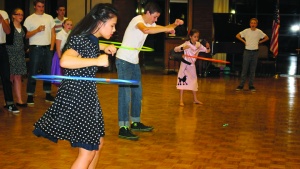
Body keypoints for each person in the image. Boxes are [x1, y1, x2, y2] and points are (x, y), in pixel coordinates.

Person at [32, 3, 118, 168]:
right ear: (100, 22)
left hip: (86, 95)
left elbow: (91, 45)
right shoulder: (80, 39)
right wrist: (97, 60)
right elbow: (65, 60)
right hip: (78, 97)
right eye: (112, 25)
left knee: (97, 144)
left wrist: (105, 46)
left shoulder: (89, 38)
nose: (114, 30)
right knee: (87, 151)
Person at [115, 1, 184, 140]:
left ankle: (135, 122)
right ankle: (123, 127)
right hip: (123, 61)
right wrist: (166, 29)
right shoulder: (138, 20)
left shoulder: (149, 23)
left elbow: (163, 27)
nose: (155, 20)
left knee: (137, 93)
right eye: (155, 17)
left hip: (134, 62)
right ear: (147, 13)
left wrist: (174, 25)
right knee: (125, 93)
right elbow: (146, 30)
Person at [24, 0, 56, 105]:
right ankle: (30, 95)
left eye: (42, 6)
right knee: (33, 71)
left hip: (47, 48)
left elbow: (53, 33)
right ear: (34, 7)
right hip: (35, 48)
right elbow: (26, 35)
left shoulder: (49, 17)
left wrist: (51, 47)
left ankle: (47, 93)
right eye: (39, 6)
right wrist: (37, 30)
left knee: (48, 72)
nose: (41, 8)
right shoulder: (29, 19)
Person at [174, 29, 210, 106]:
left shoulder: (198, 45)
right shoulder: (186, 44)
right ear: (190, 37)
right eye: (194, 37)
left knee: (194, 82)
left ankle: (195, 99)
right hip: (184, 65)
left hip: (192, 66)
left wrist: (208, 47)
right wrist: (182, 48)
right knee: (182, 82)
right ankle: (181, 100)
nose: (196, 38)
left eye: (197, 37)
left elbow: (207, 51)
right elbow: (175, 49)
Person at [235, 18, 269, 92]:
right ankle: (241, 85)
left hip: (255, 52)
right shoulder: (246, 31)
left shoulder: (259, 32)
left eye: (254, 23)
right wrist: (244, 41)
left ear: (256, 24)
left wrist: (260, 42)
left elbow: (267, 37)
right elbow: (237, 35)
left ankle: (251, 85)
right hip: (247, 51)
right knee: (245, 68)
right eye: (251, 23)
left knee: (252, 69)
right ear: (250, 24)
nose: (253, 24)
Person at [6, 8, 28, 108]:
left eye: (22, 14)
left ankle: (19, 100)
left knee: (18, 77)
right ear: (13, 16)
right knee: (10, 77)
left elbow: (24, 41)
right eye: (18, 14)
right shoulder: (9, 27)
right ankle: (8, 100)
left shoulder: (24, 28)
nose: (20, 16)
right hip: (10, 54)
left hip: (20, 55)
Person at [0, 9, 20, 113]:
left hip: (2, 47)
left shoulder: (3, 13)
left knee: (6, 76)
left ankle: (10, 103)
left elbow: (8, 31)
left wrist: (2, 19)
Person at [51, 19, 73, 84]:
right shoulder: (60, 34)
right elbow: (58, 47)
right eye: (67, 24)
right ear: (63, 25)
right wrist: (60, 58)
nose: (69, 26)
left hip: (68, 55)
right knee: (60, 75)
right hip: (60, 55)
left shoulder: (70, 34)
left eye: (71, 25)